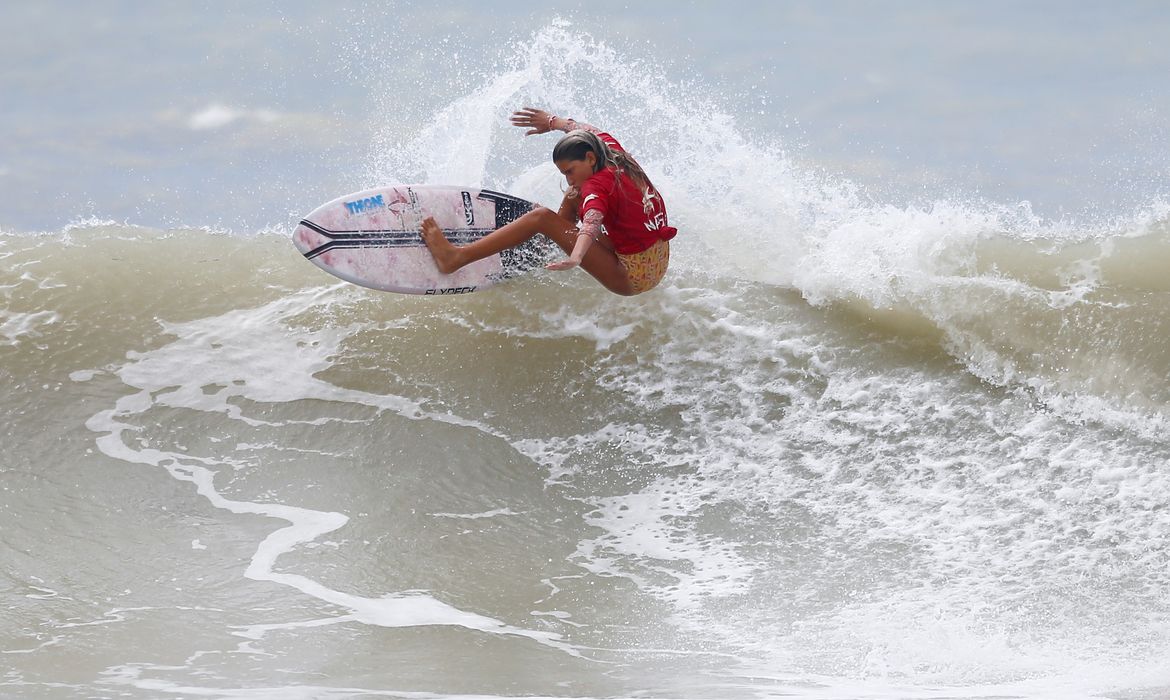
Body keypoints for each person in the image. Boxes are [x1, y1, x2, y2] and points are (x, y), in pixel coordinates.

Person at [418, 107, 677, 296]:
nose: (567, 177)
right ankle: (548, 238)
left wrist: (575, 257)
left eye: (569, 171)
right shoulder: (609, 150)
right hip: (655, 257)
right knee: (573, 194)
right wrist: (552, 122)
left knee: (541, 217)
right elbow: (587, 130)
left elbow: (592, 223)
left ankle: (456, 257)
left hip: (632, 276)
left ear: (589, 158)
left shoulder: (597, 188)